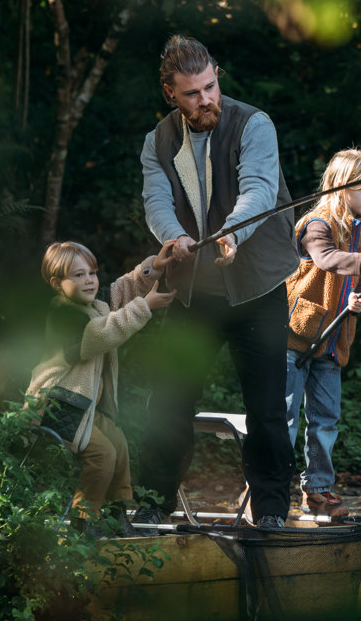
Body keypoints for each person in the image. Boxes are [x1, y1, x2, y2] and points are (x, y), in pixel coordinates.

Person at [134, 34, 300, 532]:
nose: (205, 100)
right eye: (192, 93)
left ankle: (271, 510)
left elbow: (259, 189)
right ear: (170, 93)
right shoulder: (156, 142)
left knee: (267, 407)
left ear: (217, 74)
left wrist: (231, 234)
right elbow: (156, 203)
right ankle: (150, 504)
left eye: (210, 87)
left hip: (257, 289)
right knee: (166, 402)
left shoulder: (255, 124)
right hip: (193, 296)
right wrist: (175, 237)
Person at [25, 239, 176, 536]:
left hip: (83, 406)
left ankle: (117, 515)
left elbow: (120, 291)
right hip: (57, 405)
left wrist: (153, 268)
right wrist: (145, 306)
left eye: (92, 273)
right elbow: (101, 335)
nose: (89, 281)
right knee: (101, 454)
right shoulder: (64, 314)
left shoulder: (93, 305)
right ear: (57, 283)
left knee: (118, 445)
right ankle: (85, 522)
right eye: (78, 275)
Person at [285, 148, 361, 518]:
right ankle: (266, 484)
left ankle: (317, 490)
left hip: (333, 341)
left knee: (326, 420)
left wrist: (359, 299)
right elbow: (326, 259)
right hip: (294, 336)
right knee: (284, 418)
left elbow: (359, 281)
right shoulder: (316, 224)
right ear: (341, 187)